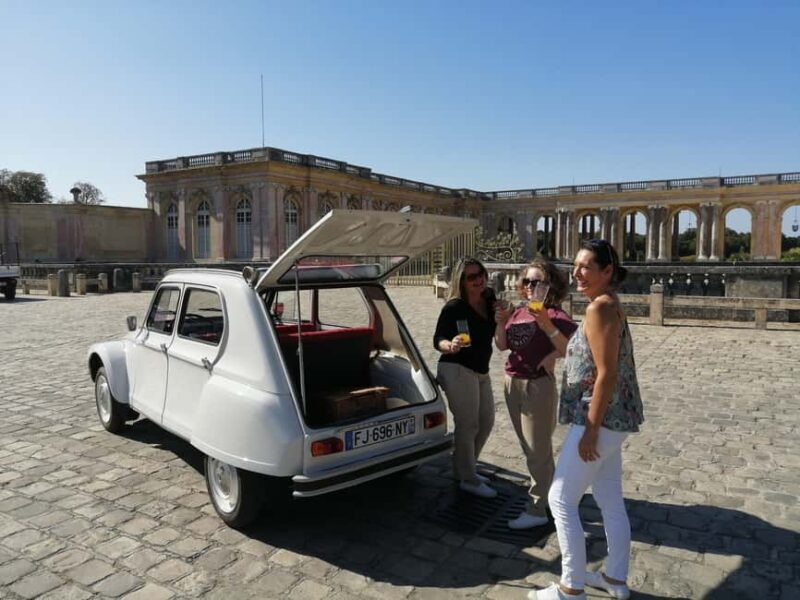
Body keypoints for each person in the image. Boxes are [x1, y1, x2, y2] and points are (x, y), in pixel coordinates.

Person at [531, 239, 644, 600]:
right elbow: (580, 356)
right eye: (575, 266)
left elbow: (607, 373)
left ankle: (571, 587)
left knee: (561, 499)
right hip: (614, 416)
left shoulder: (600, 309)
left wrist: (591, 430)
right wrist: (548, 325)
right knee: (610, 498)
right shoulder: (606, 304)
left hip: (598, 416)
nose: (576, 273)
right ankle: (615, 578)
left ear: (607, 272)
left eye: (586, 267)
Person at [494, 260, 577, 530]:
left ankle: (538, 508)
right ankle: (553, 497)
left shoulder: (554, 314)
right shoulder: (518, 313)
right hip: (512, 382)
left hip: (537, 385)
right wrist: (501, 322)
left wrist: (552, 351)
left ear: (550, 285)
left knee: (537, 450)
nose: (530, 286)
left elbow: (574, 348)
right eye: (527, 281)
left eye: (537, 281)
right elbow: (502, 345)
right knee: (529, 447)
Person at [433, 257, 498, 498]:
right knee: (468, 425)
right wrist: (449, 344)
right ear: (461, 281)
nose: (478, 280)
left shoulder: (489, 298)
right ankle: (468, 478)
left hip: (481, 369)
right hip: (457, 367)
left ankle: (464, 469)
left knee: (487, 421)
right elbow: (437, 338)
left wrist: (504, 311)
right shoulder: (455, 307)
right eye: (471, 277)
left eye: (480, 274)